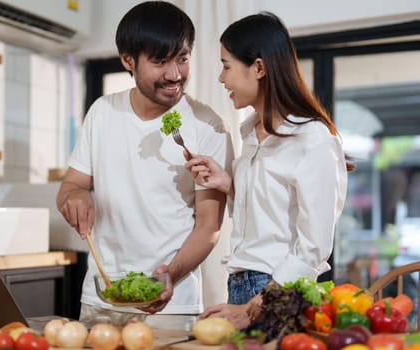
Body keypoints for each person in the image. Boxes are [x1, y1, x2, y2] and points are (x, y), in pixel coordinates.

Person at [56, 1, 233, 329]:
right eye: (160, 62)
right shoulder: (103, 112)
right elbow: (71, 186)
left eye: (182, 58)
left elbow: (209, 226)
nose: (175, 74)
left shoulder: (207, 125)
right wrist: (74, 197)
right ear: (128, 60)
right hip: (102, 299)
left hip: (170, 307)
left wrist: (171, 278)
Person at [186, 11, 350, 330]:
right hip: (241, 284)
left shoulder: (312, 138)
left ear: (258, 68)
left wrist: (254, 307)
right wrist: (229, 184)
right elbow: (270, 212)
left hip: (279, 292)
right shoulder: (250, 132)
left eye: (226, 65)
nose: (221, 79)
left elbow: (312, 247)